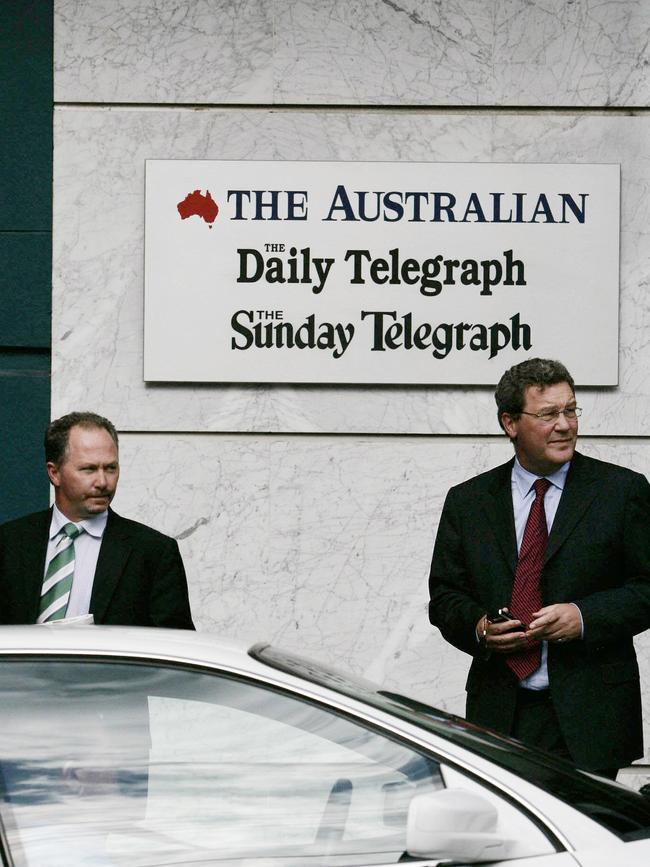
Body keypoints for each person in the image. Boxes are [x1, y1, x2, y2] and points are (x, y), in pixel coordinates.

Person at [429, 358, 650, 777]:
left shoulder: (622, 492)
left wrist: (584, 617)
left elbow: (646, 588)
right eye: (548, 414)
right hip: (499, 712)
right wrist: (480, 628)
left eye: (570, 410)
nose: (565, 425)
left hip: (590, 715)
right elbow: (444, 597)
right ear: (510, 423)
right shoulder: (469, 502)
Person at [0, 411, 194, 628]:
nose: (103, 482)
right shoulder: (9, 543)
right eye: (89, 469)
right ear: (54, 473)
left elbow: (175, 644)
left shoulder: (152, 553)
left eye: (111, 468)